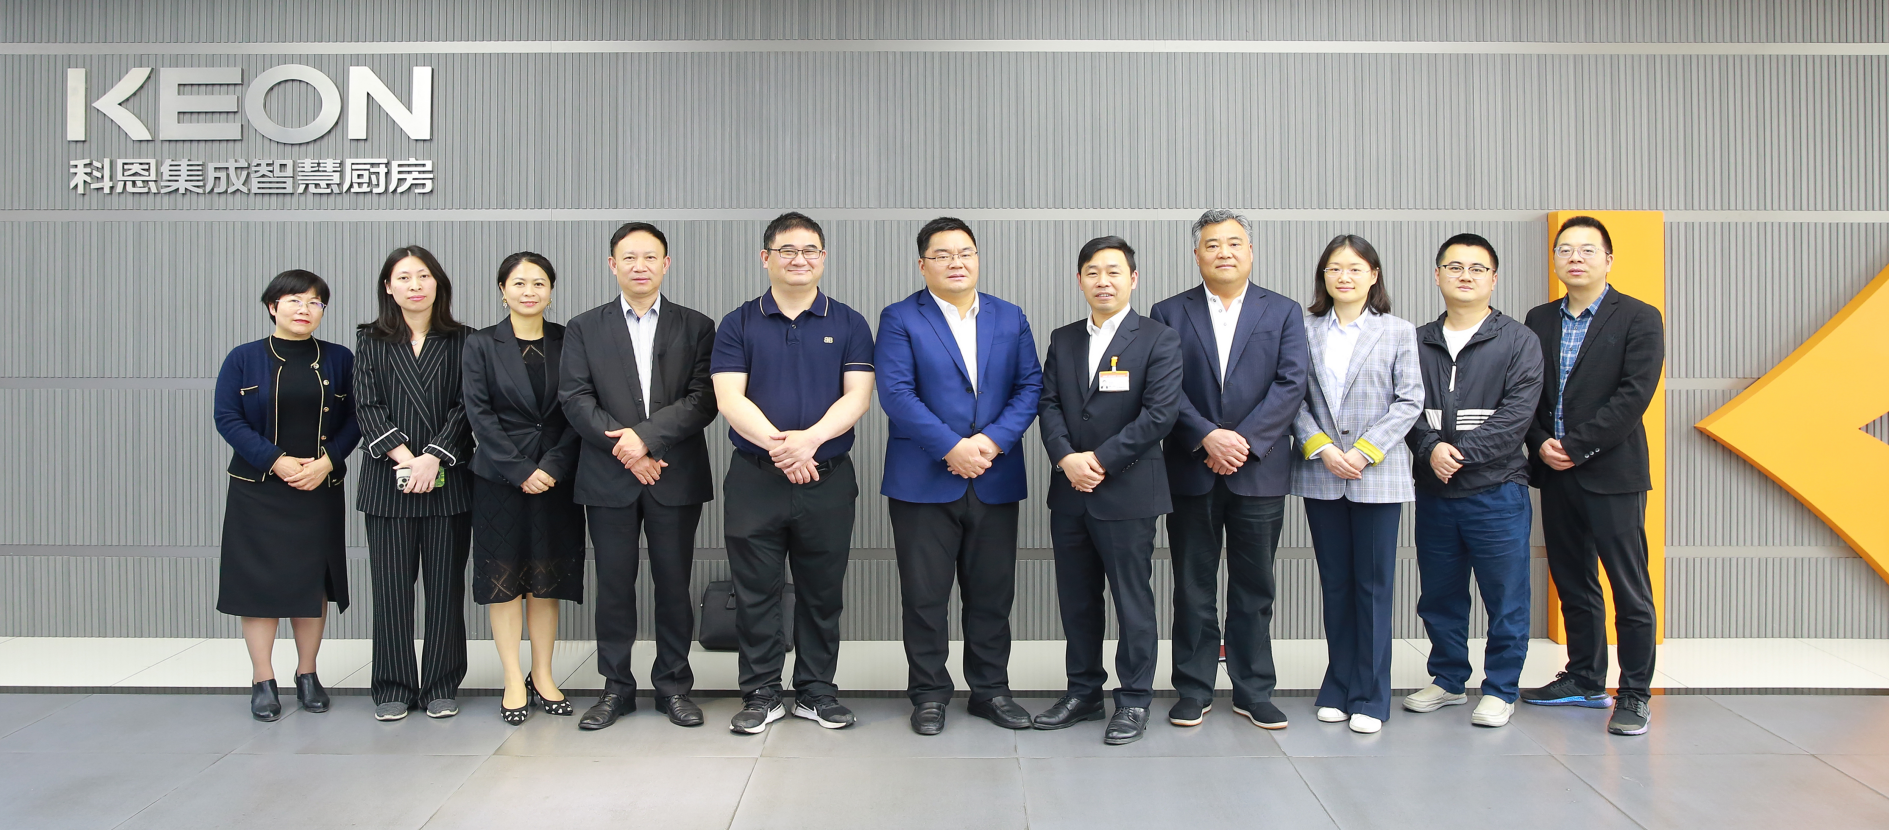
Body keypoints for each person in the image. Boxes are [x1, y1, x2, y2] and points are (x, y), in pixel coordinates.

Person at [875, 217, 1043, 735]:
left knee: (991, 595)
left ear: (977, 258)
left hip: (994, 475)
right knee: (924, 596)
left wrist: (989, 444)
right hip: (922, 481)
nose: (956, 262)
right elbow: (896, 393)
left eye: (965, 252)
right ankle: (929, 694)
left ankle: (990, 691)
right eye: (942, 254)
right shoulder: (901, 317)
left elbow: (1030, 386)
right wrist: (952, 448)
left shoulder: (1009, 316)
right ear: (922, 264)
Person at [711, 212, 875, 735]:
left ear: (823, 257)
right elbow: (729, 397)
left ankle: (816, 691)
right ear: (766, 258)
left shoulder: (849, 322)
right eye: (787, 250)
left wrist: (810, 443)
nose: (799, 259)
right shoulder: (738, 322)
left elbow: (858, 396)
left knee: (822, 592)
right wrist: (784, 449)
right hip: (755, 477)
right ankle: (761, 692)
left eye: (810, 250)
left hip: (828, 477)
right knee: (755, 591)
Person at [1149, 210, 1308, 731]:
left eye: (1234, 243)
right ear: (1196, 254)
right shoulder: (1168, 312)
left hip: (1258, 470)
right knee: (1192, 584)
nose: (1224, 252)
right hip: (1191, 466)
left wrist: (1244, 441)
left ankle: (1253, 689)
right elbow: (1163, 387)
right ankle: (1193, 688)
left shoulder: (1282, 311)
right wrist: (1206, 436)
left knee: (1254, 585)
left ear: (1251, 252)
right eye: (1213, 244)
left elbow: (1291, 383)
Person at [561, 222, 719, 730]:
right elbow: (575, 398)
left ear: (666, 264)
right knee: (613, 586)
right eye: (629, 257)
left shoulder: (696, 326)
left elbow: (703, 399)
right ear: (613, 265)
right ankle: (616, 688)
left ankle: (673, 686)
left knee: (673, 583)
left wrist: (646, 440)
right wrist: (628, 450)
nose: (640, 266)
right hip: (608, 476)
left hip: (674, 473)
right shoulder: (584, 327)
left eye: (650, 257)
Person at [1033, 236, 1183, 746]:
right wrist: (1065, 458)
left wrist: (1097, 461)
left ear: (1132, 280)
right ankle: (1083, 693)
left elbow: (1159, 415)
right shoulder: (1064, 339)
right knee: (1077, 601)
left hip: (1128, 490)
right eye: (1093, 272)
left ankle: (1134, 699)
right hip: (1069, 491)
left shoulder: (1159, 338)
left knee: (1131, 600)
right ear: (1080, 280)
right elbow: (1048, 404)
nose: (1104, 281)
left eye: (1114, 272)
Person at [1520, 215, 1665, 737]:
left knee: (1629, 586)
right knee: (1573, 581)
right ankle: (1583, 678)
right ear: (1555, 260)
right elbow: (1526, 391)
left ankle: (1635, 693)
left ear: (1608, 259)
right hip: (1555, 471)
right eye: (1565, 249)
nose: (1575, 258)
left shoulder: (1640, 317)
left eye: (1586, 249)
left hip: (1612, 472)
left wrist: (1576, 447)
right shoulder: (1539, 319)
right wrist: (1541, 442)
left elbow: (1634, 395)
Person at [1401, 233, 1543, 729]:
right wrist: (1429, 449)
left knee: (1505, 598)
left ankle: (1501, 688)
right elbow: (1404, 407)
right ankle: (1447, 680)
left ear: (1493, 279)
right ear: (1437, 275)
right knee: (1439, 596)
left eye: (1477, 268)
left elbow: (1516, 416)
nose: (1465, 276)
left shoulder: (1518, 340)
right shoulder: (1416, 340)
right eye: (1454, 266)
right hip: (1436, 494)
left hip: (1497, 492)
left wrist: (1455, 454)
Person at [1289, 235, 1423, 734]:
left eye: (1354, 268)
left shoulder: (1397, 331)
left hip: (1377, 475)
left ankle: (1370, 694)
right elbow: (1292, 397)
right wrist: (1322, 447)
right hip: (1322, 471)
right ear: (1322, 276)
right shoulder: (1302, 330)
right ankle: (1338, 684)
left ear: (1374, 275)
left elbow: (1409, 401)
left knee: (1372, 587)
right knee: (1336, 585)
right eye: (1334, 268)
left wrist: (1365, 450)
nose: (1343, 277)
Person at [213, 270, 360, 721]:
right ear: (273, 306)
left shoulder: (339, 358)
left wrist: (328, 461)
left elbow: (358, 418)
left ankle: (307, 673)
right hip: (258, 490)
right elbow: (227, 417)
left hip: (317, 487)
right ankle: (263, 679)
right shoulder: (244, 358)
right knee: (258, 585)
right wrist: (275, 460)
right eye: (294, 300)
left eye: (315, 302)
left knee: (311, 583)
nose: (304, 309)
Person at [354, 245, 475, 722]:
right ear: (388, 287)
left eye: (423, 276)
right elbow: (367, 406)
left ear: (438, 283)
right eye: (403, 278)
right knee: (391, 592)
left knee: (445, 590)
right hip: (389, 483)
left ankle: (442, 683)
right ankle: (393, 685)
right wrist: (408, 459)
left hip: (448, 481)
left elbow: (468, 405)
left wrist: (434, 457)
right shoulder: (370, 340)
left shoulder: (464, 339)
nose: (415, 285)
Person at [463, 252, 584, 725]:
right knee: (505, 581)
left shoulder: (569, 338)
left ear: (551, 291)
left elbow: (579, 407)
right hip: (500, 480)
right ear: (502, 290)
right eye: (519, 283)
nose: (529, 291)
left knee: (546, 580)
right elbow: (479, 414)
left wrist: (552, 465)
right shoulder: (481, 343)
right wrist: (520, 470)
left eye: (538, 283)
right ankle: (514, 679)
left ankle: (544, 674)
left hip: (556, 478)